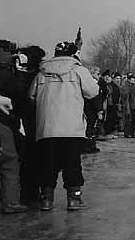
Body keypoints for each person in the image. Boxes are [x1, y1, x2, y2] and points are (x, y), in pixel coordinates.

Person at [28, 41, 99, 211]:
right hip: (71, 127)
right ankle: (74, 198)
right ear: (73, 53)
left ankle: (46, 198)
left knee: (48, 163)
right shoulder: (78, 70)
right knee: (72, 163)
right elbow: (93, 92)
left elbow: (31, 96)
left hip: (47, 126)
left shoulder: (41, 73)